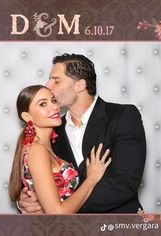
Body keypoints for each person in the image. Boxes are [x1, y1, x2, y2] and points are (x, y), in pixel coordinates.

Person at [18, 53, 146, 213]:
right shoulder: (51, 129)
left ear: (80, 85)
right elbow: (39, 182)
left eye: (55, 81)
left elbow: (125, 184)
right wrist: (29, 201)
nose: (47, 85)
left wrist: (57, 207)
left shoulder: (122, 116)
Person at [8, 85, 111, 214]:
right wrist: (91, 179)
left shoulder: (49, 144)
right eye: (43, 104)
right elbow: (57, 213)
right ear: (27, 116)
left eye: (53, 101)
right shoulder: (37, 150)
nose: (54, 107)